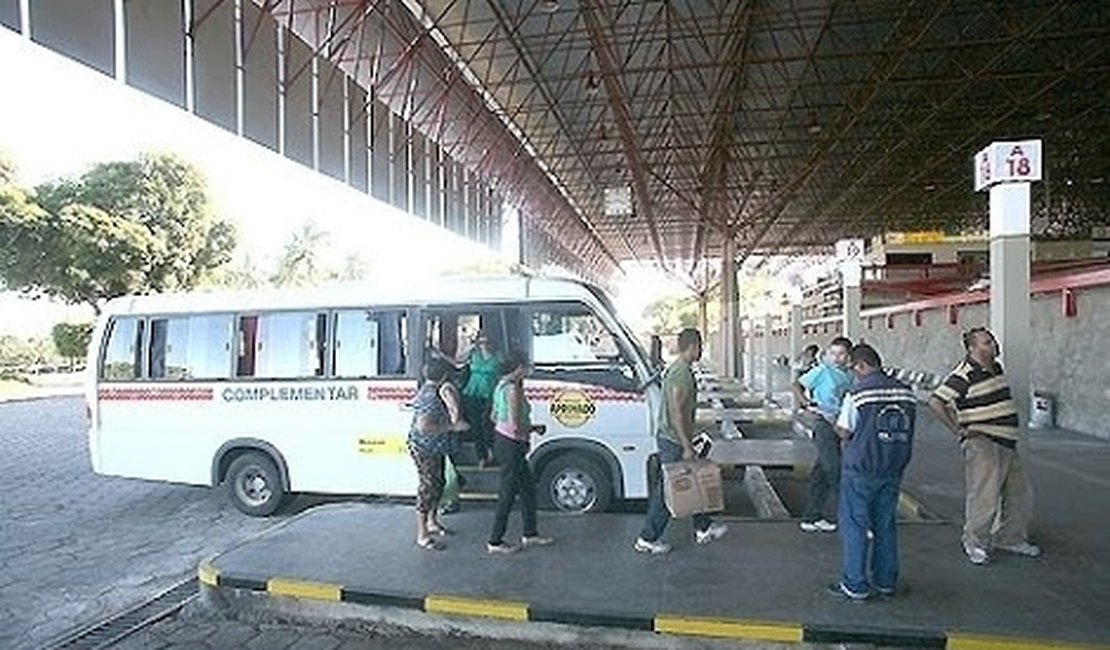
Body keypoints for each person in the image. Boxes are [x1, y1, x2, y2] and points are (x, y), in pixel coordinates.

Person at [928, 327, 1040, 566]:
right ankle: (975, 542)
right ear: (972, 348)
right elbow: (936, 401)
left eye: (992, 341)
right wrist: (958, 429)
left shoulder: (996, 368)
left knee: (1019, 494)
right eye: (987, 342)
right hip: (983, 442)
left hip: (1006, 441)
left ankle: (1010, 538)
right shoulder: (964, 374)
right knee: (984, 496)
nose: (993, 345)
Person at [829, 343, 916, 600]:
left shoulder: (858, 393)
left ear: (861, 365)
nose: (853, 374)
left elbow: (845, 431)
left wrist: (833, 422)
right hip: (893, 467)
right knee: (885, 525)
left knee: (855, 525)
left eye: (853, 369)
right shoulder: (906, 392)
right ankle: (886, 581)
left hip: (861, 468)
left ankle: (855, 583)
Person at [634, 327, 728, 554]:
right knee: (669, 489)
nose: (701, 351)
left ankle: (703, 527)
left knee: (692, 478)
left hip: (674, 437)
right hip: (673, 440)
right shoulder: (681, 374)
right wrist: (686, 445)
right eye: (700, 346)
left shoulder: (680, 369)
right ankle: (647, 538)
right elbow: (676, 412)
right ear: (693, 346)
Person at [487, 351, 554, 554]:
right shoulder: (513, 390)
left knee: (527, 489)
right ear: (517, 368)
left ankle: (530, 533)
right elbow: (516, 425)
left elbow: (494, 416)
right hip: (512, 444)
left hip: (502, 440)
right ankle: (495, 541)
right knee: (507, 493)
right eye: (525, 366)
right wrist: (534, 428)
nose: (528, 370)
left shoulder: (500, 386)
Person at [793, 337, 854, 533]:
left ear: (848, 356)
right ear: (827, 354)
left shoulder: (849, 376)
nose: (836, 358)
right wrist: (805, 403)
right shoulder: (823, 371)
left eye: (841, 354)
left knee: (821, 473)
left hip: (840, 424)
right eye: (833, 353)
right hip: (823, 423)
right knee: (835, 469)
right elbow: (796, 385)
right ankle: (853, 519)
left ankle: (812, 517)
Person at [407, 359, 469, 551]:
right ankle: (422, 534)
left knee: (439, 482)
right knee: (428, 487)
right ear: (443, 376)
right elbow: (424, 427)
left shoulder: (430, 390)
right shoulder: (431, 397)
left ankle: (432, 522)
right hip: (425, 448)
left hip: (435, 447)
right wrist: (452, 427)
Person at [460, 330, 500, 467]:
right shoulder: (473, 354)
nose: (484, 344)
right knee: (476, 425)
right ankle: (481, 457)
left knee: (488, 424)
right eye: (481, 341)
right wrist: (470, 347)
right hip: (472, 393)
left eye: (487, 341)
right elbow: (458, 361)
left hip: (490, 394)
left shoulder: (498, 356)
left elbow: (501, 370)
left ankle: (492, 453)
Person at [437, 372, 468, 515]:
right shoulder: (450, 386)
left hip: (449, 433)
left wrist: (453, 426)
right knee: (450, 467)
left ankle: (450, 500)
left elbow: (454, 408)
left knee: (449, 468)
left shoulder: (445, 388)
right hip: (452, 432)